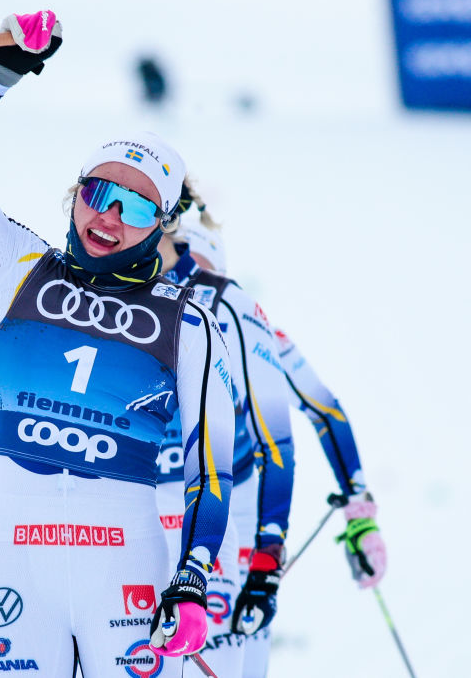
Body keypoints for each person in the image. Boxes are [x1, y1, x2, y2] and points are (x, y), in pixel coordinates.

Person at [0, 11, 236, 676]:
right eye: (98, 192)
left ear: (160, 225)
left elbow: (211, 465)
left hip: (126, 562)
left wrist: (195, 580)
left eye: (137, 207)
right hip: (16, 558)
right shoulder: (16, 267)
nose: (108, 217)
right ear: (75, 193)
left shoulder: (188, 323)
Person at [177, 210, 387, 678]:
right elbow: (327, 410)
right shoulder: (243, 318)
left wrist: (360, 513)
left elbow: (324, 409)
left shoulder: (248, 325)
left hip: (228, 508)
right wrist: (358, 510)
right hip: (206, 506)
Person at [152, 188, 296, 678]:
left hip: (211, 520)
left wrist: (267, 559)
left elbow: (288, 430)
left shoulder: (235, 308)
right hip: (130, 521)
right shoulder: (121, 298)